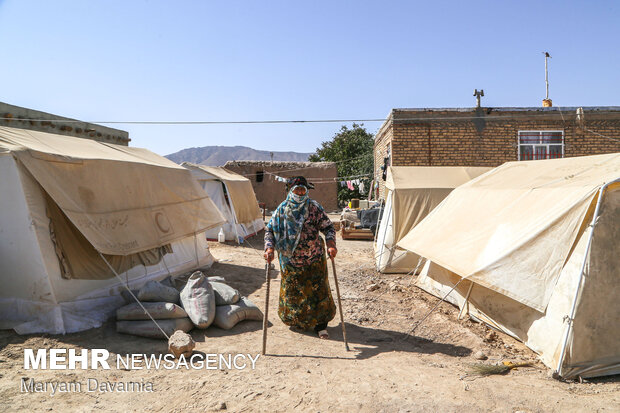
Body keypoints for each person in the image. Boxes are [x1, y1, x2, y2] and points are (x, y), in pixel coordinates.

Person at [264, 176, 337, 339]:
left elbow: (328, 227)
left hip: (314, 259)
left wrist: (331, 244)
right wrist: (269, 248)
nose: (300, 192)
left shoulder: (314, 208)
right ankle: (299, 321)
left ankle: (321, 326)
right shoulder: (281, 210)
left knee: (318, 293)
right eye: (296, 189)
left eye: (303, 189)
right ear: (290, 191)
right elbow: (269, 230)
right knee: (294, 294)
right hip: (290, 261)